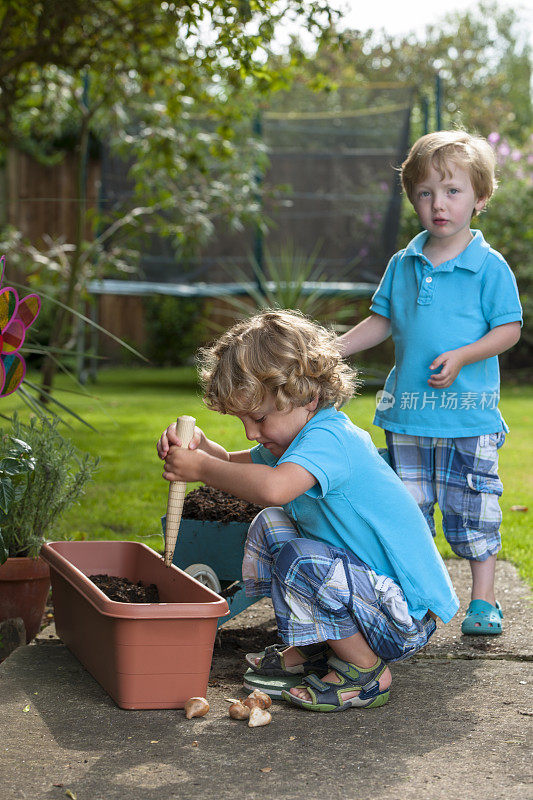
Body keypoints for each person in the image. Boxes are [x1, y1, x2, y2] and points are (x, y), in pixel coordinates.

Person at [157, 309, 459, 712]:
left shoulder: (330, 439)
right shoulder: (298, 439)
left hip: (403, 617)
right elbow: (242, 462)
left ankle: (366, 671)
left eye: (259, 417)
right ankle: (319, 646)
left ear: (309, 396)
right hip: (369, 600)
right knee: (273, 527)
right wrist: (206, 452)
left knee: (300, 559)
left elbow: (274, 488)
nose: (251, 431)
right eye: (243, 419)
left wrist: (203, 469)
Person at [337, 130, 522, 636]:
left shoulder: (489, 267)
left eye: (453, 191)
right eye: (425, 193)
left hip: (469, 419)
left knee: (474, 510)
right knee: (407, 515)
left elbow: (509, 329)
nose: (438, 204)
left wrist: (464, 356)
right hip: (408, 417)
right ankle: (415, 599)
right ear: (413, 198)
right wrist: (331, 350)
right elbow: (381, 323)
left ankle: (482, 601)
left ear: (480, 197)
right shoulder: (403, 265)